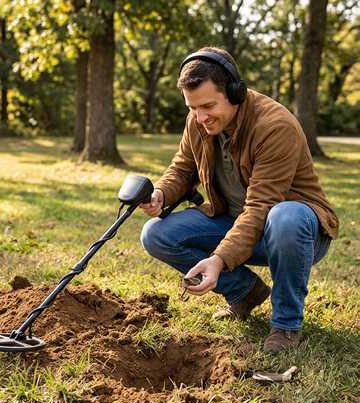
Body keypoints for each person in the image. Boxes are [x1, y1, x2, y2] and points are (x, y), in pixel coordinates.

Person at [139, 47, 339, 353]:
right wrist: (161, 193)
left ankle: (286, 325)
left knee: (285, 217)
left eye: (207, 106)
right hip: (234, 222)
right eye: (192, 108)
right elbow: (182, 168)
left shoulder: (274, 127)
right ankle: (245, 292)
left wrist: (219, 260)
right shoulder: (198, 120)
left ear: (235, 91)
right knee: (155, 234)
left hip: (293, 233)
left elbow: (261, 207)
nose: (200, 117)